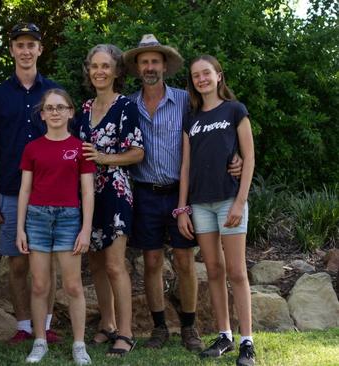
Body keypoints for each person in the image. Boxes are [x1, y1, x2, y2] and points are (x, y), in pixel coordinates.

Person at [124, 34, 243, 352]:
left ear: (165, 66)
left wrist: (237, 155)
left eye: (155, 61)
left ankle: (189, 328)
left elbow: (213, 130)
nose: (150, 66)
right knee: (150, 262)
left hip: (181, 192)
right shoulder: (128, 106)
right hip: (145, 192)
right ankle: (160, 327)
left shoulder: (184, 102)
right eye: (144, 61)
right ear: (138, 67)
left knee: (184, 261)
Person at [0, 22, 62, 344]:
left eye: (32, 45)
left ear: (40, 49)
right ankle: (25, 326)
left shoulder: (53, 93)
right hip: (12, 191)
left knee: (50, 263)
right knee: (16, 263)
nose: (26, 51)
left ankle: (48, 324)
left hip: (50, 192)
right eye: (20, 45)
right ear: (12, 49)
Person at [177, 55, 255, 366]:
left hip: (228, 200)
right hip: (200, 204)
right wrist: (182, 209)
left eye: (206, 73)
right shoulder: (191, 118)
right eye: (196, 75)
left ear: (218, 75)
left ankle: (247, 340)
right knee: (213, 271)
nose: (202, 79)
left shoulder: (235, 110)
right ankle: (224, 335)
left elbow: (248, 159)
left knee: (236, 272)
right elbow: (185, 166)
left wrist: (239, 201)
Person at [74, 44, 143, 356]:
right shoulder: (84, 109)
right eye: (94, 66)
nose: (99, 71)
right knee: (97, 264)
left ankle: (126, 333)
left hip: (115, 191)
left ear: (117, 71)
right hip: (88, 193)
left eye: (105, 66)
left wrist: (103, 157)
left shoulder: (126, 106)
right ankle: (108, 323)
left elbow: (138, 152)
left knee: (115, 265)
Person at [16, 89, 95, 365]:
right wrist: (20, 229)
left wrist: (86, 229)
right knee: (39, 285)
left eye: (61, 107)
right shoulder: (33, 148)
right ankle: (39, 341)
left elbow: (87, 192)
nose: (55, 112)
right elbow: (25, 190)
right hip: (37, 219)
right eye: (50, 108)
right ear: (42, 114)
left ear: (71, 112)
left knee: (73, 286)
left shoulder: (80, 148)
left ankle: (79, 344)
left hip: (69, 219)